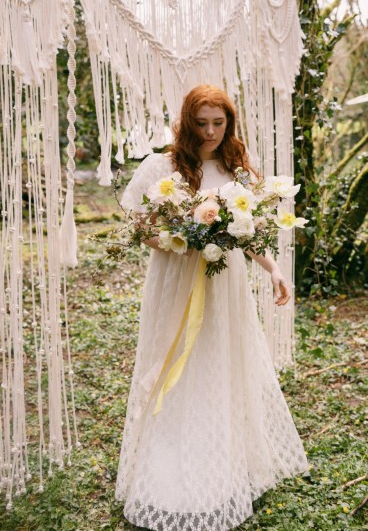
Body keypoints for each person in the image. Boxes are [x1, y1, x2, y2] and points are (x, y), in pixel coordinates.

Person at [115, 85, 309, 530]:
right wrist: (173, 241)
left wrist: (274, 269)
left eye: (218, 123)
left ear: (230, 122)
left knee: (217, 362)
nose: (209, 132)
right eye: (200, 123)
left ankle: (217, 461)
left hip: (224, 288)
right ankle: (163, 464)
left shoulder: (235, 169)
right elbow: (135, 223)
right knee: (173, 361)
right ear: (186, 122)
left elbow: (249, 231)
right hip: (175, 280)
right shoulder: (162, 167)